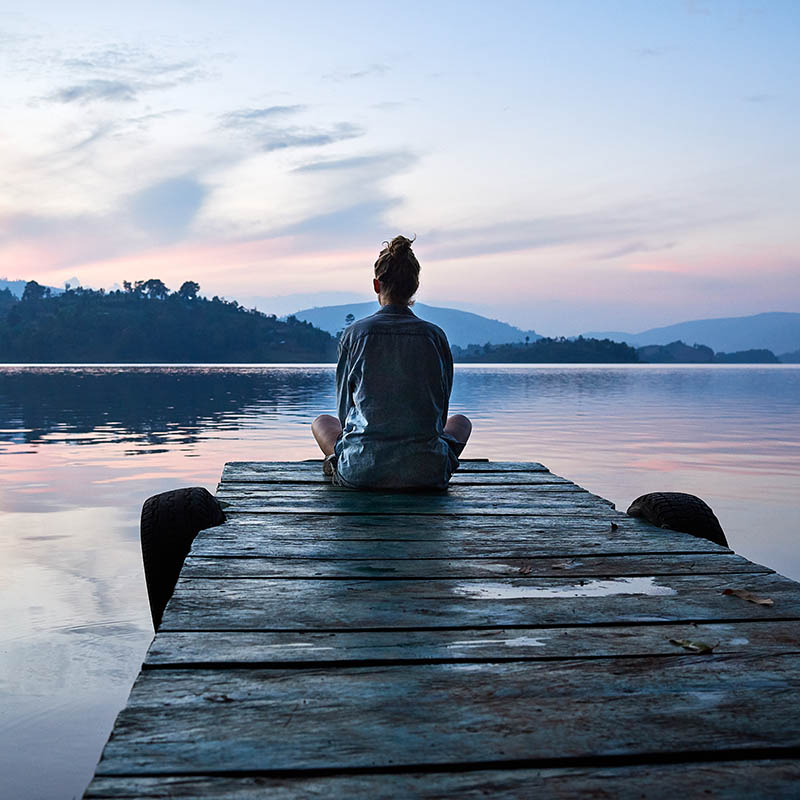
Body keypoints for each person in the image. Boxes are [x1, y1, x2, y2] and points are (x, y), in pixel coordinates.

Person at [312, 236, 472, 489]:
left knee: (322, 422)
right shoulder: (435, 336)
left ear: (377, 285)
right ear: (415, 287)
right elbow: (440, 415)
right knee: (461, 422)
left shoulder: (355, 335)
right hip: (426, 474)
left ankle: (338, 461)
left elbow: (344, 413)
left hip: (361, 472)